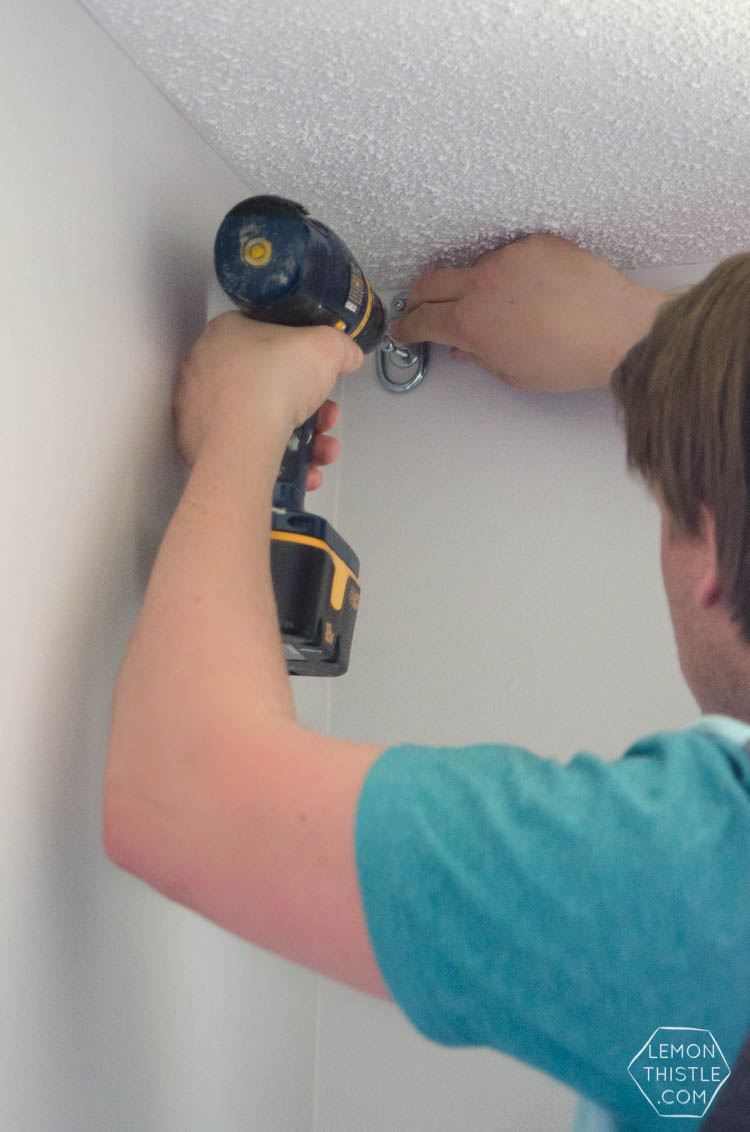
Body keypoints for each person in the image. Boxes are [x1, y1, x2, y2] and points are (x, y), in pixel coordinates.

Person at [103, 233, 750, 1131]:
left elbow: (181, 797)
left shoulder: (698, 870)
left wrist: (242, 421)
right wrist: (648, 337)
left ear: (709, 547)